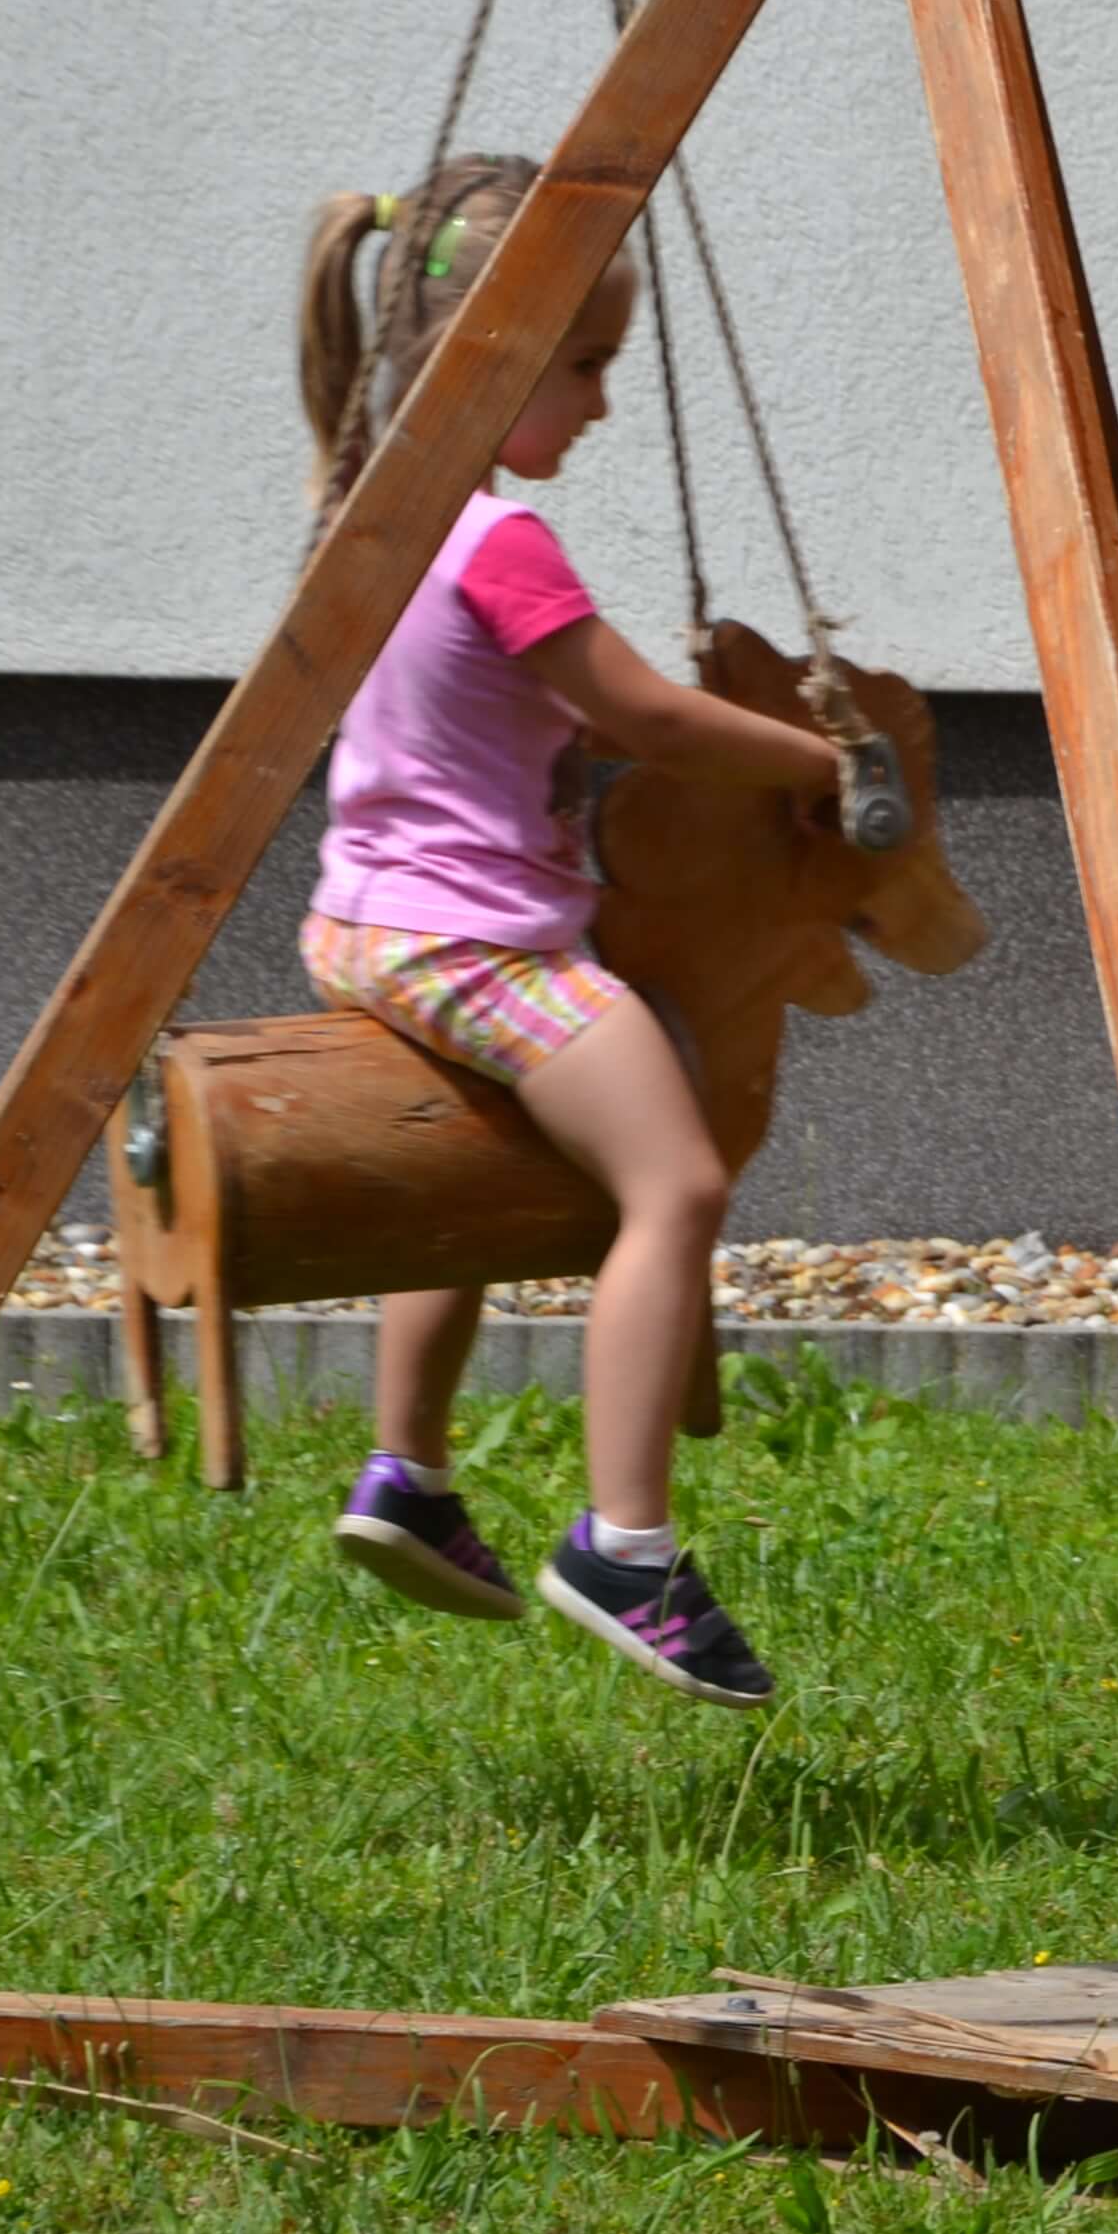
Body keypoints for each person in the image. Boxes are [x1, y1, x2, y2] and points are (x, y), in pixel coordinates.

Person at [293, 153, 843, 1707]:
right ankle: (628, 1550)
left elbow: (499, 714)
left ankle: (407, 1473)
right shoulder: (500, 542)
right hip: (479, 948)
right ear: (495, 353)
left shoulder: (367, 511)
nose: (604, 403)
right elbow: (645, 716)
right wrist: (820, 762)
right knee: (677, 1183)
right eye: (587, 364)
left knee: (455, 1201)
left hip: (359, 922)